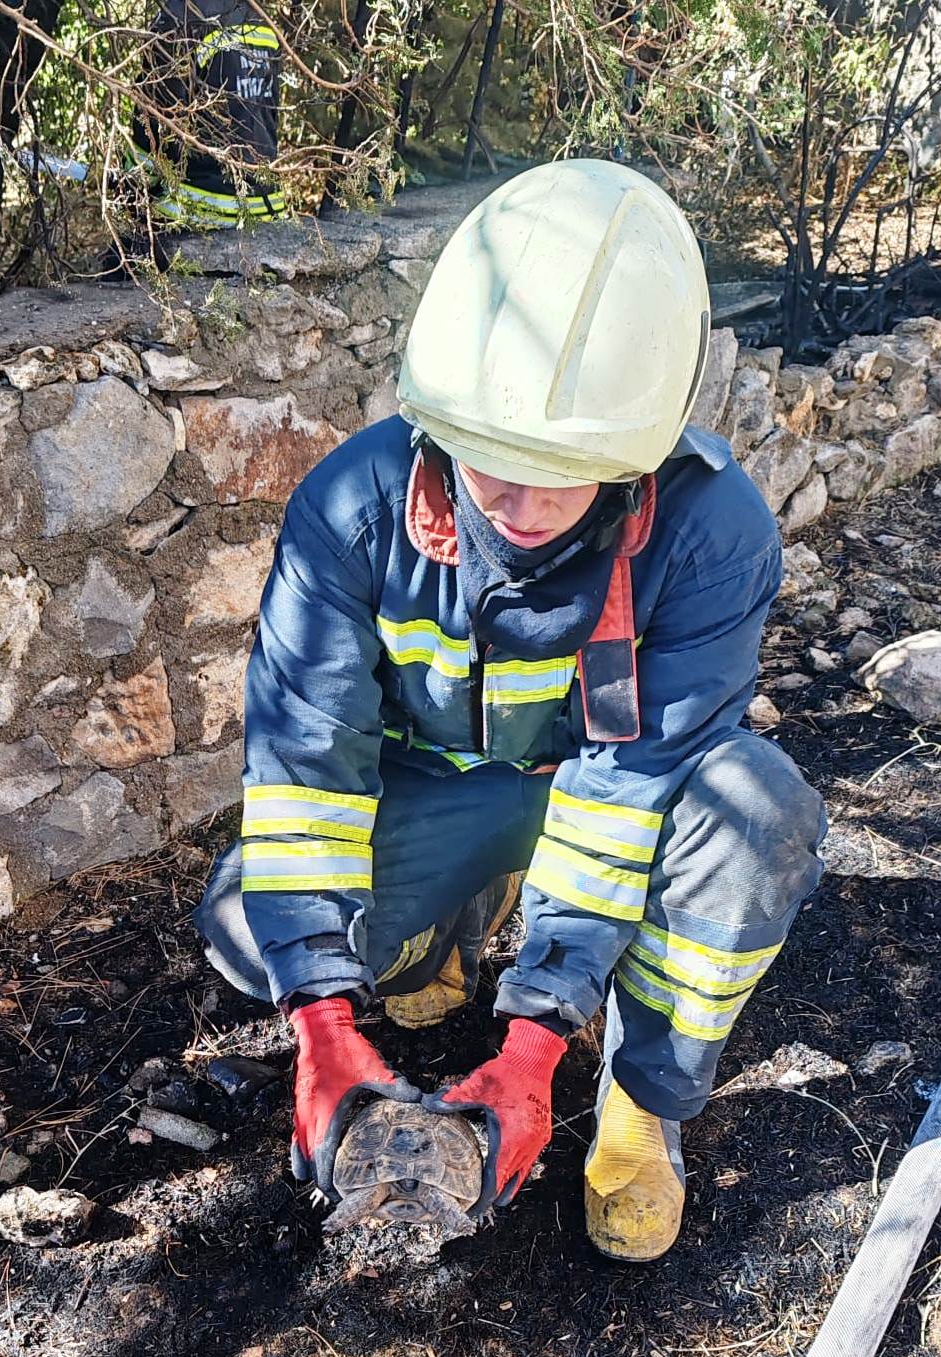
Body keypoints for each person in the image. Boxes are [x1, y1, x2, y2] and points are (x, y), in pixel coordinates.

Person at [193, 158, 827, 1261]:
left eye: (562, 471)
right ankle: (438, 931)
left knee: (755, 812)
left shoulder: (709, 529)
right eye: (491, 463)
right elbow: (306, 765)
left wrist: (536, 1047)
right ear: (437, 425)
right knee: (252, 921)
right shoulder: (354, 507)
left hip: (597, 800)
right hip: (440, 794)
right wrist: (322, 1029)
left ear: (634, 459)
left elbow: (628, 788)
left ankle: (640, 1109)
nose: (521, 505)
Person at [132, 0, 285, 228]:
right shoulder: (258, 18)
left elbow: (154, 124)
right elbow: (269, 116)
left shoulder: (176, 18)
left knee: (119, 257)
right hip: (267, 207)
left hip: (200, 211)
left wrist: (131, 185)